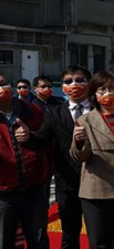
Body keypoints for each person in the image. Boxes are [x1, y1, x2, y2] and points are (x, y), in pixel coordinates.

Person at [69, 71, 114, 249]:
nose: (108, 94)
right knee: (99, 243)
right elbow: (79, 157)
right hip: (96, 192)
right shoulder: (85, 121)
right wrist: (78, 142)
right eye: (102, 89)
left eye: (113, 89)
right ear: (94, 94)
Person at [26, 65, 93, 249]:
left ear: (90, 84)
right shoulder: (54, 113)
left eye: (80, 80)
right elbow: (40, 140)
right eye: (68, 81)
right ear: (62, 87)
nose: (74, 85)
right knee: (69, 235)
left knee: (98, 236)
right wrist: (26, 136)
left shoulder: (101, 110)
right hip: (67, 182)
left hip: (98, 182)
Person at [0, 73, 49, 249]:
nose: (1, 89)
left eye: (3, 84)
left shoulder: (33, 111)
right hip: (3, 194)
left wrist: (31, 137)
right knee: (4, 241)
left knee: (39, 240)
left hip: (34, 190)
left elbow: (47, 141)